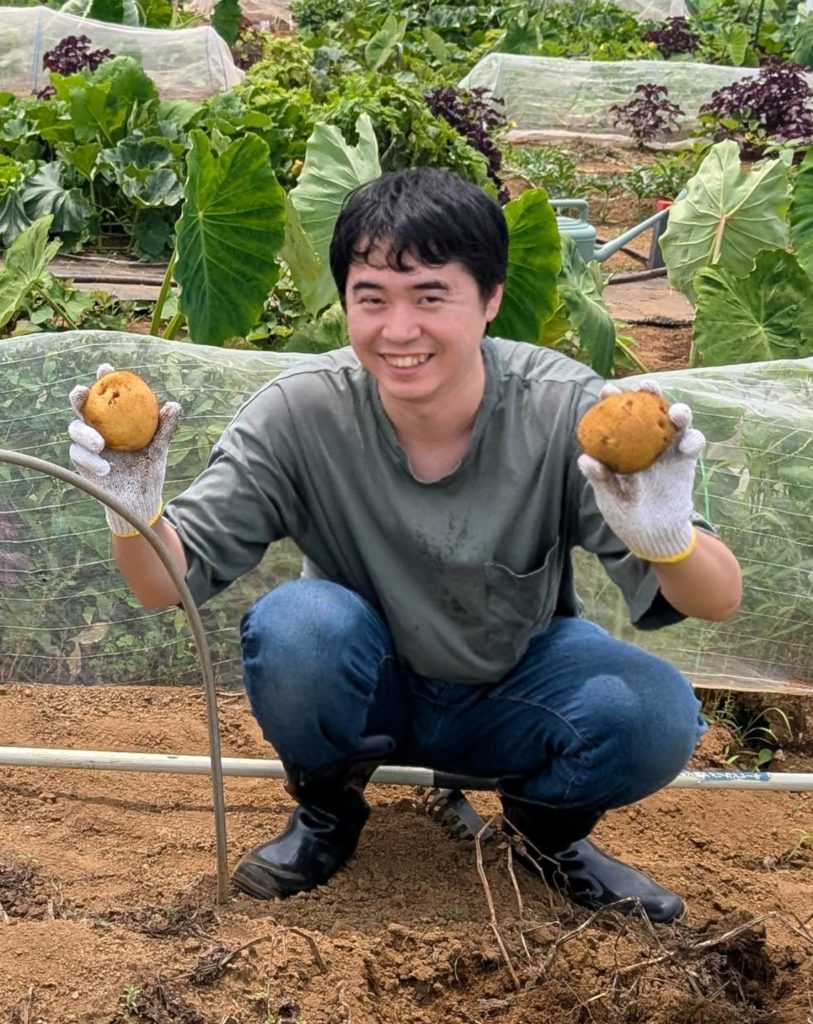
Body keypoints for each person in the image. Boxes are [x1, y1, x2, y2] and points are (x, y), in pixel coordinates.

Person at [68, 167, 742, 924]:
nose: (398, 330)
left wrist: (666, 534)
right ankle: (327, 813)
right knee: (298, 627)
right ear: (345, 302)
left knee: (652, 713)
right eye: (371, 298)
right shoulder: (301, 414)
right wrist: (130, 505)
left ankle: (543, 834)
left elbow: (716, 599)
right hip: (367, 684)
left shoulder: (564, 410)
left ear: (489, 299)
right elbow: (165, 585)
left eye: (430, 296)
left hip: (512, 685)